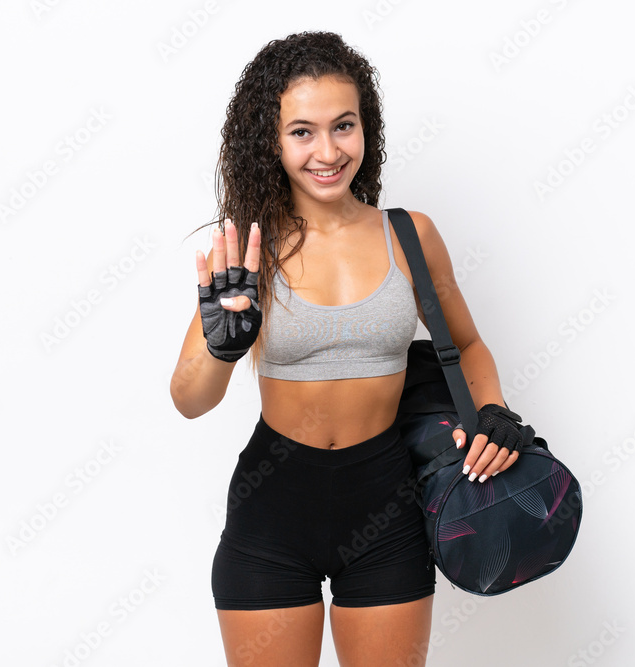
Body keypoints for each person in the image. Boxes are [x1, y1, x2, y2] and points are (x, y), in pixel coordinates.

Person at [171, 31, 519, 667]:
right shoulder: (248, 248)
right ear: (270, 141)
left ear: (368, 129)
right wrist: (222, 350)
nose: (327, 151)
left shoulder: (409, 236)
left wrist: (491, 411)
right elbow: (188, 401)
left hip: (387, 506)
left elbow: (467, 344)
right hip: (271, 510)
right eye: (302, 131)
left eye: (344, 126)